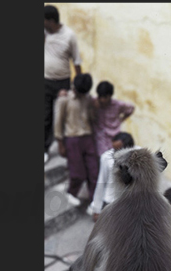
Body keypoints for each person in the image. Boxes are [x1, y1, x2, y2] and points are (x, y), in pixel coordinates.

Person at [53, 73, 99, 207]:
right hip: (72, 139)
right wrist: (60, 144)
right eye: (79, 92)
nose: (81, 95)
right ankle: (71, 193)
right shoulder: (64, 100)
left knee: (94, 171)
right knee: (78, 173)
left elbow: (92, 117)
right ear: (74, 88)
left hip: (88, 138)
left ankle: (94, 200)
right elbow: (58, 122)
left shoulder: (88, 98)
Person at [45, 4, 82, 164]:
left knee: (63, 117)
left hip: (63, 83)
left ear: (51, 21)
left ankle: (67, 149)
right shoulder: (44, 33)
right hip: (45, 82)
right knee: (45, 117)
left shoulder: (69, 35)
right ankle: (44, 149)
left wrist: (79, 87)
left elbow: (77, 61)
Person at [88, 132, 137, 221]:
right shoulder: (106, 158)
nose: (114, 153)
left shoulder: (139, 157)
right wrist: (97, 209)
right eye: (113, 149)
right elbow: (101, 183)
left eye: (118, 150)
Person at [92, 81, 135, 156]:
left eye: (105, 97)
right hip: (100, 138)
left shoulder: (117, 104)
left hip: (114, 136)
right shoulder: (93, 103)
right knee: (103, 158)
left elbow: (131, 108)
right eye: (101, 97)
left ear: (110, 96)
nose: (103, 100)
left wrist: (121, 120)